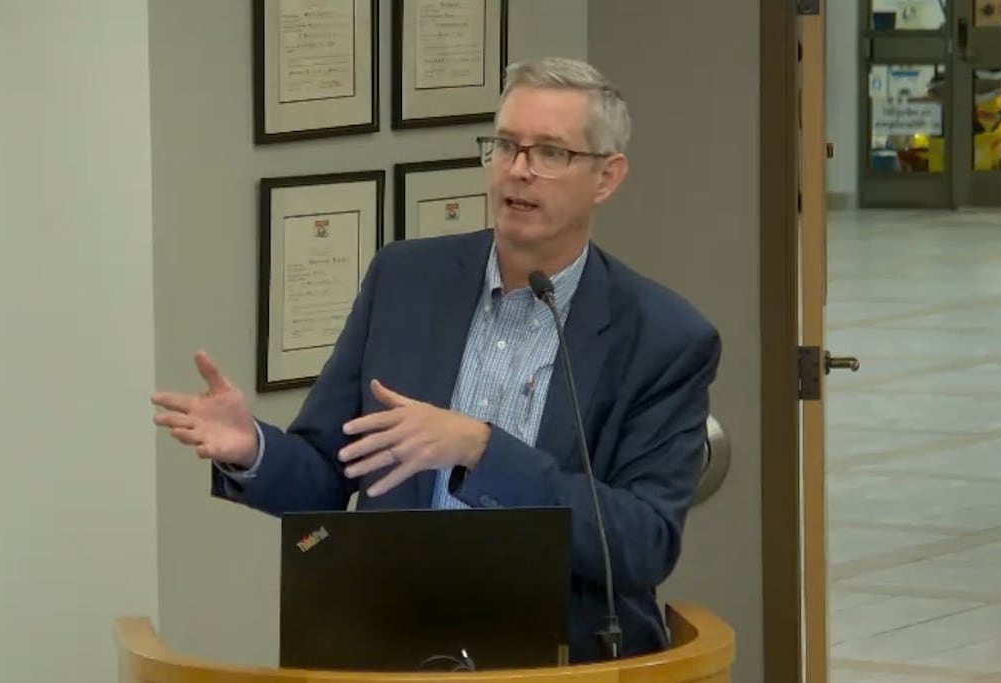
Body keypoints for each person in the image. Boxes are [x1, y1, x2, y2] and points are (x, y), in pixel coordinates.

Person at [151, 56, 722, 664]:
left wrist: (481, 450)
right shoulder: (404, 279)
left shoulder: (663, 338)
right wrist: (253, 449)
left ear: (606, 178)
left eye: (550, 153)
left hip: (559, 658)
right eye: (505, 145)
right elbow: (327, 472)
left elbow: (642, 544)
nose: (518, 171)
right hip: (387, 647)